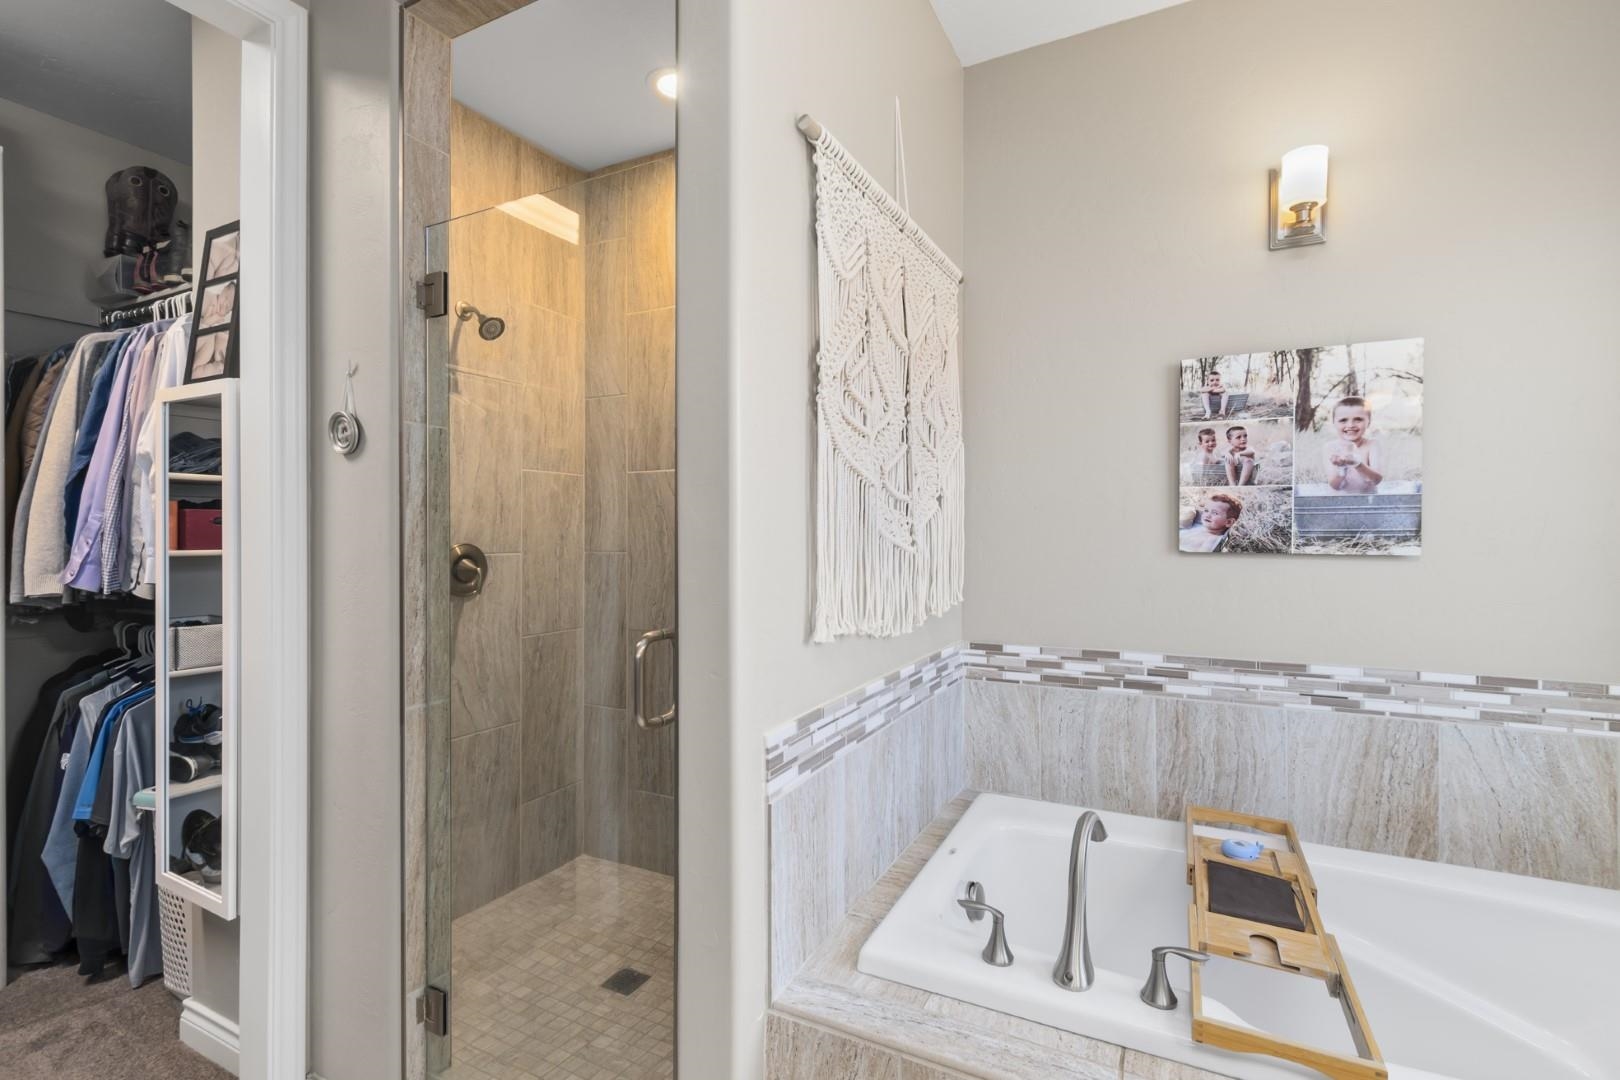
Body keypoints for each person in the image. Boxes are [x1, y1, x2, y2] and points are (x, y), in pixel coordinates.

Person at [1322, 396, 1383, 493]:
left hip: (1368, 503)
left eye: (1358, 419)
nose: (1350, 425)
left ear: (1369, 422)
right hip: (1339, 504)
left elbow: (1376, 480)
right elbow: (1335, 486)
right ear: (1334, 423)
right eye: (1343, 420)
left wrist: (1357, 463)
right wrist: (1342, 468)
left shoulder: (1372, 445)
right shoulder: (1330, 447)